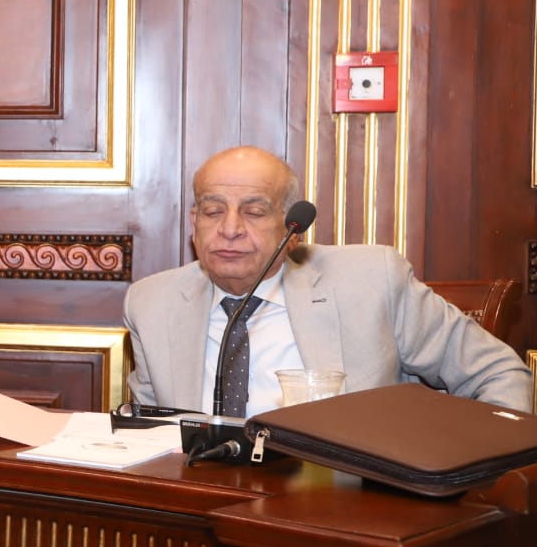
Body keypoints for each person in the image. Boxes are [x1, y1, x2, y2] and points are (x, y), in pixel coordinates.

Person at [125, 146, 532, 415]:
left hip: (347, 500)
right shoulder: (151, 303)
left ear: (293, 229)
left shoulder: (372, 281)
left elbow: (496, 373)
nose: (229, 229)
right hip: (201, 501)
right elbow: (149, 430)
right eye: (213, 211)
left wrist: (475, 476)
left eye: (254, 212)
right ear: (194, 222)